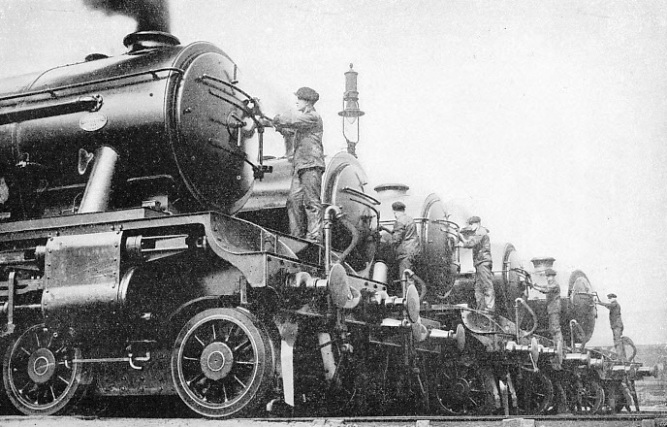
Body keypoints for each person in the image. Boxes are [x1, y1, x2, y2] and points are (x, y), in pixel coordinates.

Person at [272, 87, 325, 242]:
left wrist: (276, 118)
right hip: (300, 166)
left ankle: (314, 238)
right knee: (293, 201)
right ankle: (297, 238)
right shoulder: (303, 122)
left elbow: (291, 120)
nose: (296, 102)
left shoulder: (312, 117)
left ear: (307, 102)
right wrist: (272, 123)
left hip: (311, 164)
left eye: (299, 99)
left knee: (311, 202)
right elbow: (288, 129)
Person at [458, 216, 495, 313]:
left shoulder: (481, 232)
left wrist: (462, 243)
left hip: (483, 262)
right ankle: (481, 309)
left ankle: (490, 308)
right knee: (478, 288)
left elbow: (471, 243)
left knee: (487, 286)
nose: (470, 227)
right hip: (479, 264)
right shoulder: (478, 232)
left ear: (477, 223)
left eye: (471, 224)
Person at [532, 268, 563, 368]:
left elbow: (546, 289)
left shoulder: (555, 285)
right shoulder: (552, 284)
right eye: (547, 277)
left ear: (553, 276)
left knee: (555, 329)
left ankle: (559, 351)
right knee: (553, 329)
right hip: (552, 309)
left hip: (554, 309)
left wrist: (535, 287)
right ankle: (557, 350)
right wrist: (535, 285)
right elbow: (545, 287)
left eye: (549, 277)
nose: (548, 279)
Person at [388, 201, 420, 282]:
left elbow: (396, 239)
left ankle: (406, 294)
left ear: (394, 212)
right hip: (414, 251)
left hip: (405, 254)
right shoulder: (410, 219)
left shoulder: (400, 221)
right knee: (410, 275)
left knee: (404, 278)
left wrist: (386, 242)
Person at [597, 293, 626, 360]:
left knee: (617, 342)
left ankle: (620, 358)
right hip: (615, 326)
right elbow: (608, 306)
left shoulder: (615, 304)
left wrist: (599, 303)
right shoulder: (614, 305)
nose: (609, 300)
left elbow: (608, 305)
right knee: (617, 341)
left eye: (610, 298)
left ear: (614, 298)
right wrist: (599, 302)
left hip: (617, 326)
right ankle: (621, 357)